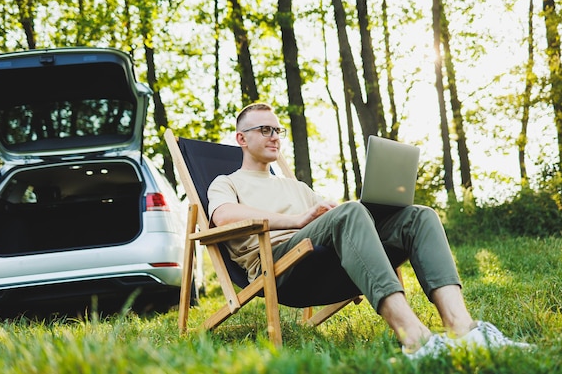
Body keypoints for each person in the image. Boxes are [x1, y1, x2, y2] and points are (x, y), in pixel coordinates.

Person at [207, 102, 531, 359]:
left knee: (419, 216)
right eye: (265, 130)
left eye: (277, 129)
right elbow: (223, 216)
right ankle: (415, 338)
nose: (275, 136)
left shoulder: (295, 186)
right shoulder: (227, 183)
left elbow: (335, 217)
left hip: (324, 261)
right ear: (241, 138)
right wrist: (299, 220)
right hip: (280, 268)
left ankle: (463, 328)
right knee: (349, 212)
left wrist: (358, 209)